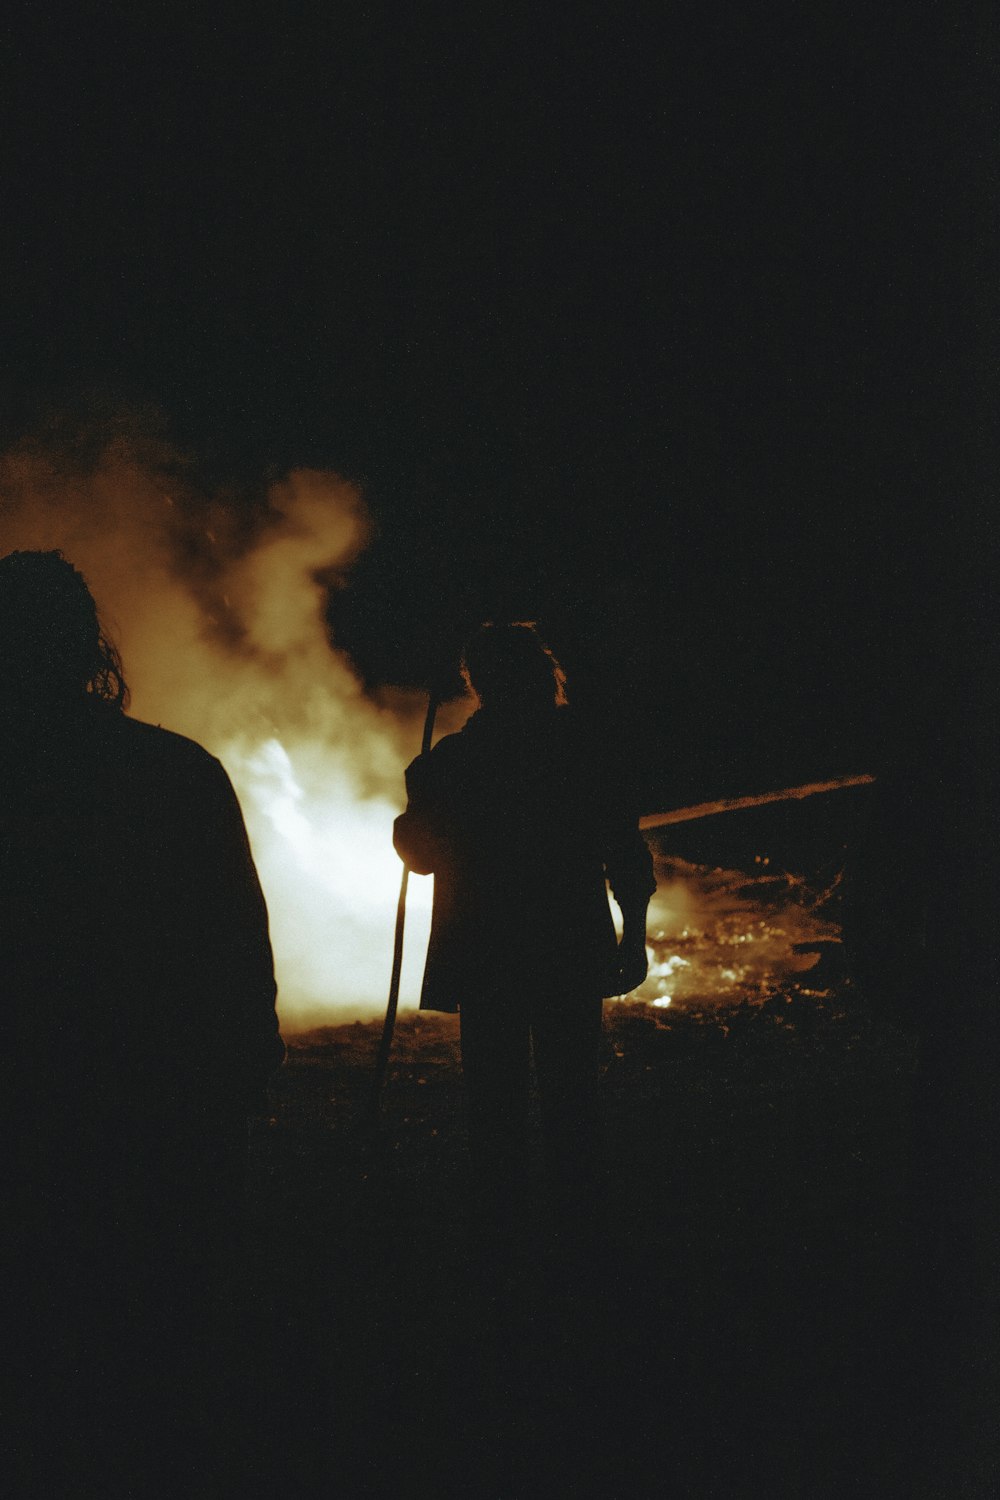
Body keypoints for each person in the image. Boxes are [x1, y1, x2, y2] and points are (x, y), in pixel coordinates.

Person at [0, 549, 284, 1492]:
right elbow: (236, 936)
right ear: (89, 647)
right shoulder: (174, 772)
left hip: (35, 1097)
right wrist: (248, 1064)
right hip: (163, 1096)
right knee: (163, 1324)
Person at [393, 621, 655, 1236]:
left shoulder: (452, 765)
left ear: (479, 684)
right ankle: (579, 1224)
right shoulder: (581, 753)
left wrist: (411, 816)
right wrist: (634, 934)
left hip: (487, 954)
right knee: (571, 1098)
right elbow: (625, 852)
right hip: (565, 947)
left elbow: (421, 857)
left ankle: (503, 1232)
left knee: (495, 1104)